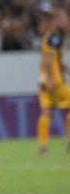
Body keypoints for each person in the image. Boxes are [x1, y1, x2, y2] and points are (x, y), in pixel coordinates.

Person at [37, 10, 70, 155]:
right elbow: (50, 59)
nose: (66, 22)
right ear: (56, 21)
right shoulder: (54, 37)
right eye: (63, 19)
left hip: (44, 79)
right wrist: (52, 79)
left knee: (47, 112)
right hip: (54, 81)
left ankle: (43, 147)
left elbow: (56, 60)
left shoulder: (50, 37)